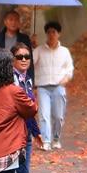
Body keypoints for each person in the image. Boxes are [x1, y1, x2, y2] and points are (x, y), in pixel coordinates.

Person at [33, 21, 74, 150]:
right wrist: (32, 46)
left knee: (58, 116)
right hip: (43, 87)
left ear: (59, 34)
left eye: (54, 32)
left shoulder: (64, 51)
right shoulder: (39, 50)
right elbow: (30, 63)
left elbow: (69, 69)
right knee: (44, 114)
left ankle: (56, 138)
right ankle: (46, 140)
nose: (51, 35)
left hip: (58, 86)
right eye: (49, 32)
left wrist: (65, 80)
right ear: (46, 34)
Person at [11, 42, 39, 173]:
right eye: (19, 56)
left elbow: (31, 106)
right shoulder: (12, 80)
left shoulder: (27, 79)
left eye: (27, 56)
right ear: (13, 59)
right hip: (15, 132)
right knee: (16, 172)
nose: (23, 60)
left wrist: (36, 132)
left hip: (27, 131)